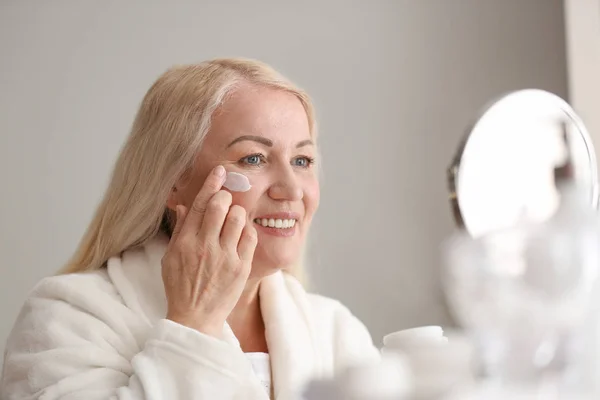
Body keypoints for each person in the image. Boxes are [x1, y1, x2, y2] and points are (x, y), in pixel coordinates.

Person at [0, 58, 380, 399]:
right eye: (254, 158)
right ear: (173, 180)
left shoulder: (334, 330)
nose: (292, 189)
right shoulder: (67, 321)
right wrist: (194, 324)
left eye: (302, 159)